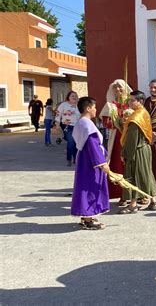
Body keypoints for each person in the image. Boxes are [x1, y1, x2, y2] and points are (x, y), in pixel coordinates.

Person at [71, 96, 110, 230]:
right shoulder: (87, 124)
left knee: (85, 186)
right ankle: (88, 219)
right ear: (88, 108)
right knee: (90, 187)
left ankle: (87, 216)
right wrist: (102, 162)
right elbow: (92, 144)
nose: (96, 110)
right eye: (94, 107)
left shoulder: (80, 122)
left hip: (85, 159)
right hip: (91, 161)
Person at [119, 90, 156, 213]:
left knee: (133, 175)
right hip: (145, 148)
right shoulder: (143, 113)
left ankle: (133, 204)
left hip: (137, 150)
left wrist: (125, 154)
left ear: (140, 101)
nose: (130, 103)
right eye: (129, 100)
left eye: (132, 100)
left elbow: (132, 139)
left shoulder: (136, 117)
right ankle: (153, 201)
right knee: (147, 174)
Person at [99, 79, 132, 204]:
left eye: (120, 87)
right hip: (117, 138)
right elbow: (106, 122)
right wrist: (117, 122)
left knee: (133, 165)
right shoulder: (111, 105)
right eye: (115, 87)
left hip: (131, 137)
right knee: (119, 165)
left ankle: (137, 193)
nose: (118, 89)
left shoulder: (132, 102)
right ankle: (122, 194)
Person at [55, 91, 80, 166]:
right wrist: (57, 124)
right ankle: (69, 159)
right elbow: (58, 114)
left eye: (75, 96)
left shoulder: (79, 105)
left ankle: (76, 159)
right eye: (72, 96)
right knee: (70, 142)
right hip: (67, 126)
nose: (74, 97)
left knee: (76, 143)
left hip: (77, 126)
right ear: (68, 97)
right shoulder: (64, 105)